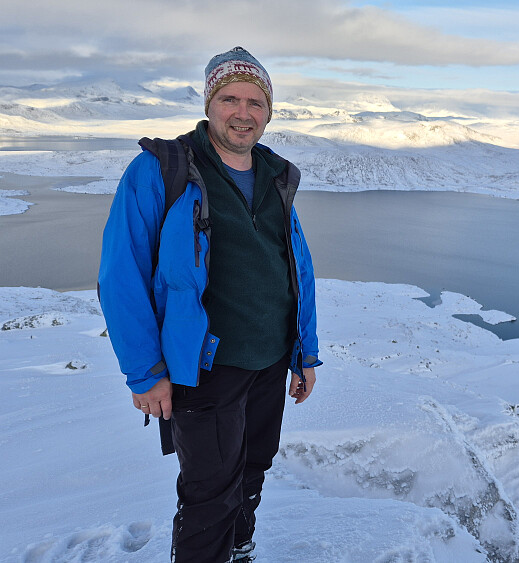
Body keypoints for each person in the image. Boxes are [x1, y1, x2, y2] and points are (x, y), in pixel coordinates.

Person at [98, 46, 322, 563]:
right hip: (204, 367)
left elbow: (295, 267)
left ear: (269, 111)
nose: (242, 113)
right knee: (208, 491)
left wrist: (304, 351)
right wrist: (145, 372)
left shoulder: (274, 175)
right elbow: (120, 276)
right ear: (208, 103)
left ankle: (239, 551)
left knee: (253, 469)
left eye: (255, 102)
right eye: (229, 99)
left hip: (269, 361)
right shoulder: (162, 170)